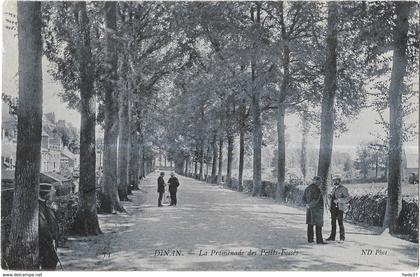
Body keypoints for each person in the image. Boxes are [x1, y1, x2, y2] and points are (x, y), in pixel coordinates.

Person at [302, 176, 326, 244]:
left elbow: (303, 199)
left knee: (310, 224)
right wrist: (310, 205)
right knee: (318, 225)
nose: (320, 183)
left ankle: (310, 239)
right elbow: (316, 200)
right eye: (320, 182)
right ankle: (319, 240)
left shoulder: (307, 188)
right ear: (317, 182)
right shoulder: (317, 189)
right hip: (317, 210)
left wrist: (307, 205)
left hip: (309, 210)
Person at [326, 175, 349, 242]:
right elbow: (332, 197)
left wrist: (338, 200)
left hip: (339, 208)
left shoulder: (343, 188)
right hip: (332, 208)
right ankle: (332, 237)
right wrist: (330, 196)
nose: (334, 181)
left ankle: (342, 238)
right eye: (333, 180)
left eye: (336, 180)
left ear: (339, 181)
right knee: (333, 223)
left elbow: (347, 198)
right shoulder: (333, 189)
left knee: (340, 223)